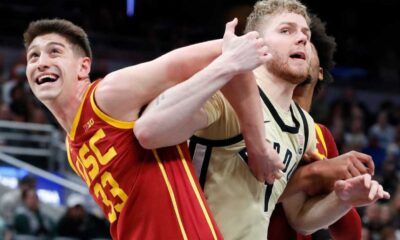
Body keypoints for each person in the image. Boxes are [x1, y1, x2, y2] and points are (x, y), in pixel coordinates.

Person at [138, 0, 389, 239]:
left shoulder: (303, 127)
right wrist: (226, 65)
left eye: (305, 33)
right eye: (286, 30)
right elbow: (149, 131)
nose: (302, 38)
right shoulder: (227, 94)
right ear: (257, 43)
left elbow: (300, 218)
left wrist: (342, 200)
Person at [23, 18, 281, 239]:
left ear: (83, 67)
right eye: (33, 56)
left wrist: (257, 146)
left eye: (54, 52)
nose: (41, 62)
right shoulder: (72, 146)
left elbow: (226, 51)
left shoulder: (108, 95)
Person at [268, 14, 372, 240]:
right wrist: (313, 174)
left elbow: (348, 234)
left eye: (306, 41)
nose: (300, 46)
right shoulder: (254, 119)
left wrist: (335, 189)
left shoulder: (320, 136)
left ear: (320, 72)